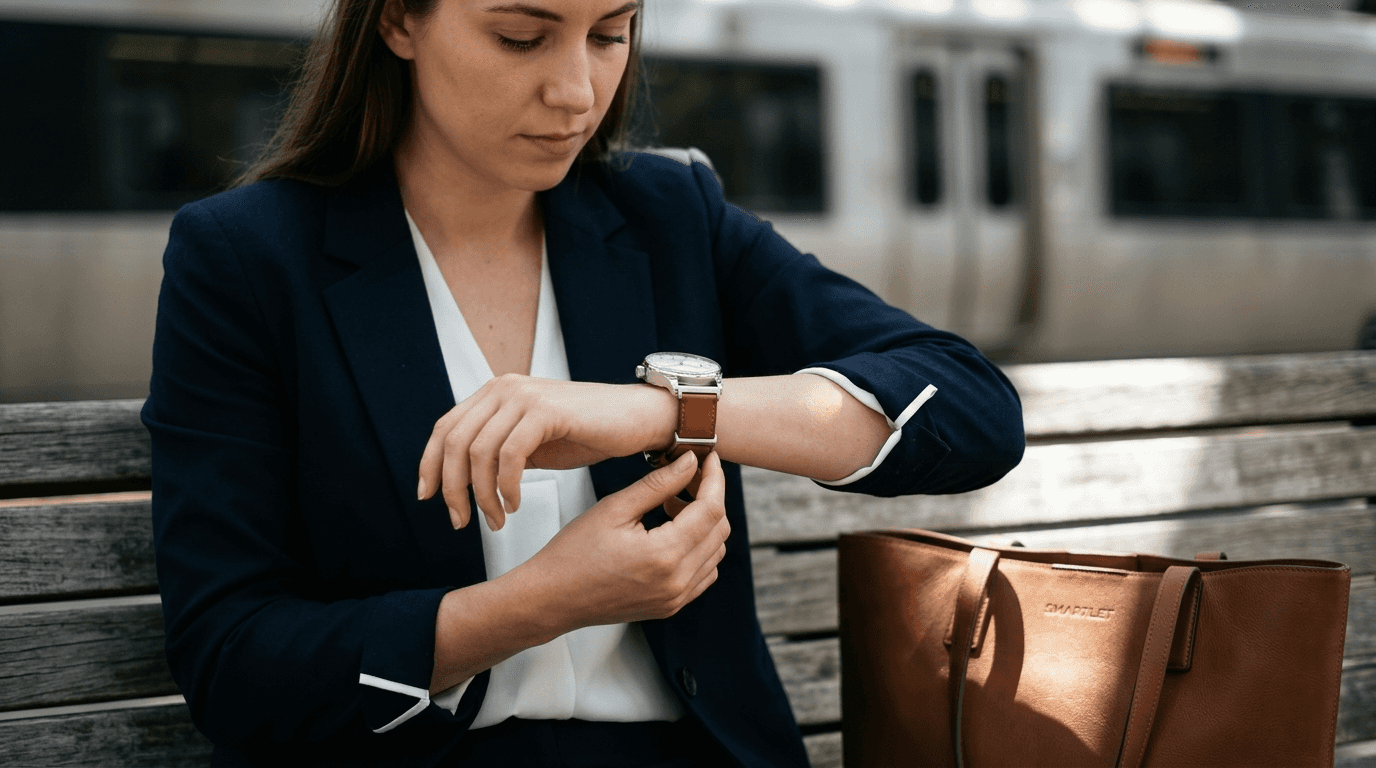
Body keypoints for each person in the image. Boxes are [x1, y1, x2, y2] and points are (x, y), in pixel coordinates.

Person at [141, 0, 1025, 765]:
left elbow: (971, 407)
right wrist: (538, 604)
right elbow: (233, 663)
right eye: (522, 37)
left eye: (611, 34)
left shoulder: (672, 216)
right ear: (398, 19)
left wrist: (656, 411)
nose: (575, 92)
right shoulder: (248, 258)